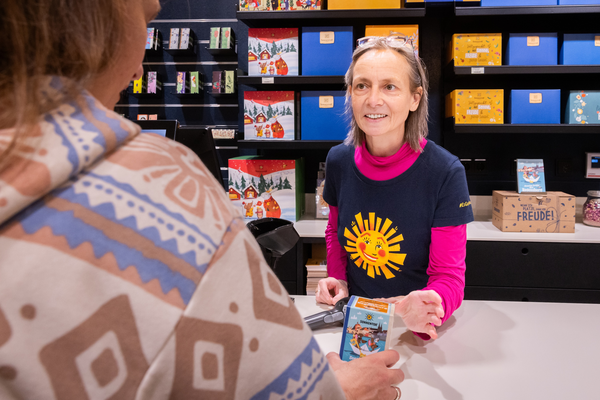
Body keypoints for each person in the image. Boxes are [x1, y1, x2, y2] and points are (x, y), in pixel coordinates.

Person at [0, 1, 404, 399]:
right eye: (145, 19)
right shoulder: (161, 181)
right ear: (97, 25)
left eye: (390, 86)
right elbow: (280, 383)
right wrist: (335, 390)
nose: (140, 68)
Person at [316, 35, 474, 340]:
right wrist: (338, 278)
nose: (373, 100)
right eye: (362, 86)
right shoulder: (338, 161)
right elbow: (335, 231)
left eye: (389, 86)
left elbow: (449, 278)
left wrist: (428, 306)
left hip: (412, 329)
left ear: (415, 98)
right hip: (356, 322)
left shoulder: (445, 172)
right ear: (350, 94)